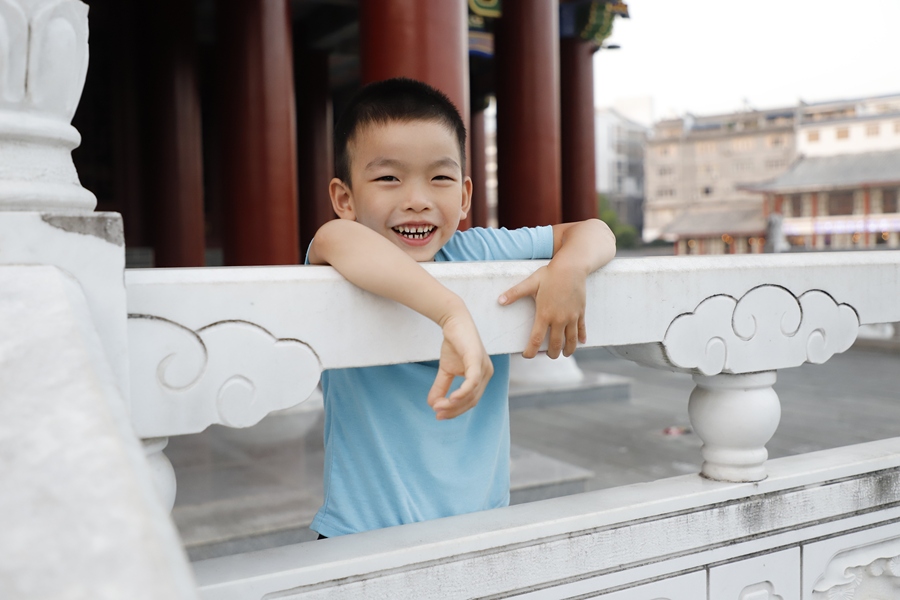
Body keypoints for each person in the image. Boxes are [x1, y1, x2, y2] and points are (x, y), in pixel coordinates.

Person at [307, 77, 616, 538]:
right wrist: (452, 313)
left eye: (440, 178)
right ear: (344, 199)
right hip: (362, 534)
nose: (417, 200)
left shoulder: (479, 251)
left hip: (483, 529)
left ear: (466, 196)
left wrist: (569, 268)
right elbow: (333, 237)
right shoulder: (345, 253)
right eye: (388, 178)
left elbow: (594, 231)